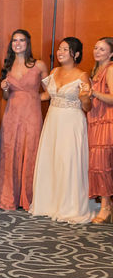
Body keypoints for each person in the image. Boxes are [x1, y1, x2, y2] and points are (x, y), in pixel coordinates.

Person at [30, 37, 95, 223]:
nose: (60, 52)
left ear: (76, 54)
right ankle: (49, 203)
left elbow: (88, 107)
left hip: (72, 121)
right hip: (53, 120)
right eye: (60, 49)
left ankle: (70, 206)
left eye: (65, 49)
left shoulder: (82, 76)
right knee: (51, 159)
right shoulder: (54, 71)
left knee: (68, 161)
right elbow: (45, 95)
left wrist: (84, 98)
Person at [0, 30, 46, 211]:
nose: (17, 43)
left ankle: (29, 198)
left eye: (21, 40)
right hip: (12, 114)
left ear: (28, 43)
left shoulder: (38, 65)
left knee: (30, 152)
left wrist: (33, 97)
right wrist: (5, 88)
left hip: (31, 114)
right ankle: (10, 197)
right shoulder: (7, 66)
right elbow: (6, 96)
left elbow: (50, 90)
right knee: (10, 152)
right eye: (14, 40)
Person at [87, 37, 113, 223]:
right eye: (96, 48)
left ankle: (106, 206)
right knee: (97, 164)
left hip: (106, 122)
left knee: (103, 164)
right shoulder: (95, 71)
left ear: (111, 53)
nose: (97, 51)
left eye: (102, 49)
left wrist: (94, 92)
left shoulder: (110, 70)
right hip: (95, 120)